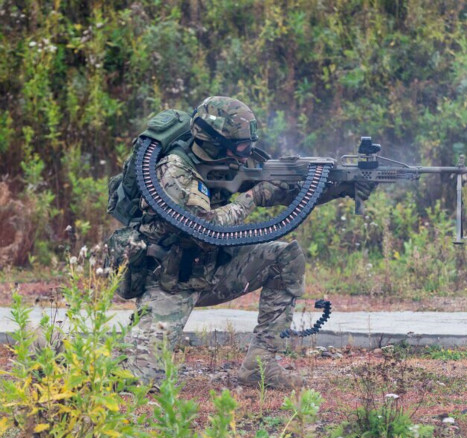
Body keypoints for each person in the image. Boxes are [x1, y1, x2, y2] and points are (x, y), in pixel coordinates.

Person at [122, 96, 372, 390]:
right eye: (241, 147)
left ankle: (260, 366)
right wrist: (253, 197)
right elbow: (206, 227)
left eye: (248, 146)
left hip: (212, 270)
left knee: (285, 258)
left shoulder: (229, 161)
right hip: (169, 282)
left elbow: (285, 191)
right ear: (214, 141)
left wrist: (342, 187)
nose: (246, 154)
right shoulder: (174, 171)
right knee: (136, 382)